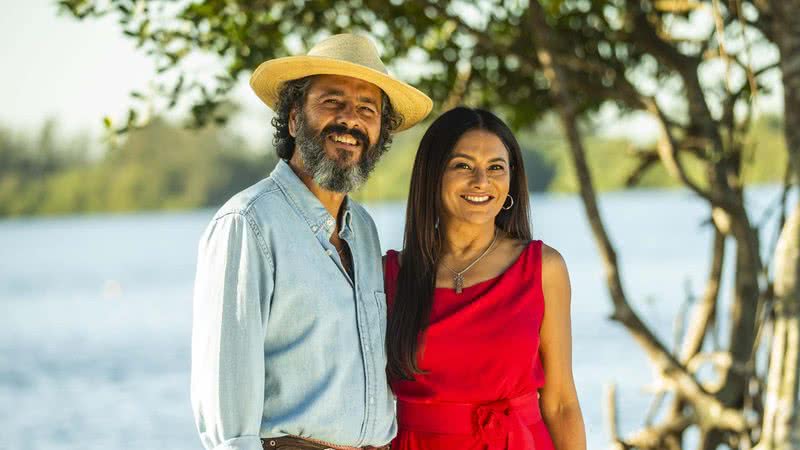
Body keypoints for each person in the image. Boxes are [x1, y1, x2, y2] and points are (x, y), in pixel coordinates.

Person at [190, 33, 432, 450]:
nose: (350, 121)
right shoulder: (247, 224)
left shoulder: (366, 230)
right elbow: (225, 411)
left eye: (366, 109)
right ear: (294, 118)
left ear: (381, 131)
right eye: (332, 102)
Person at [384, 107, 586, 449]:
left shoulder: (543, 268)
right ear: (433, 175)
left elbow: (561, 402)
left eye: (496, 168)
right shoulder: (389, 276)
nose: (481, 181)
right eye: (463, 165)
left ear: (510, 181)